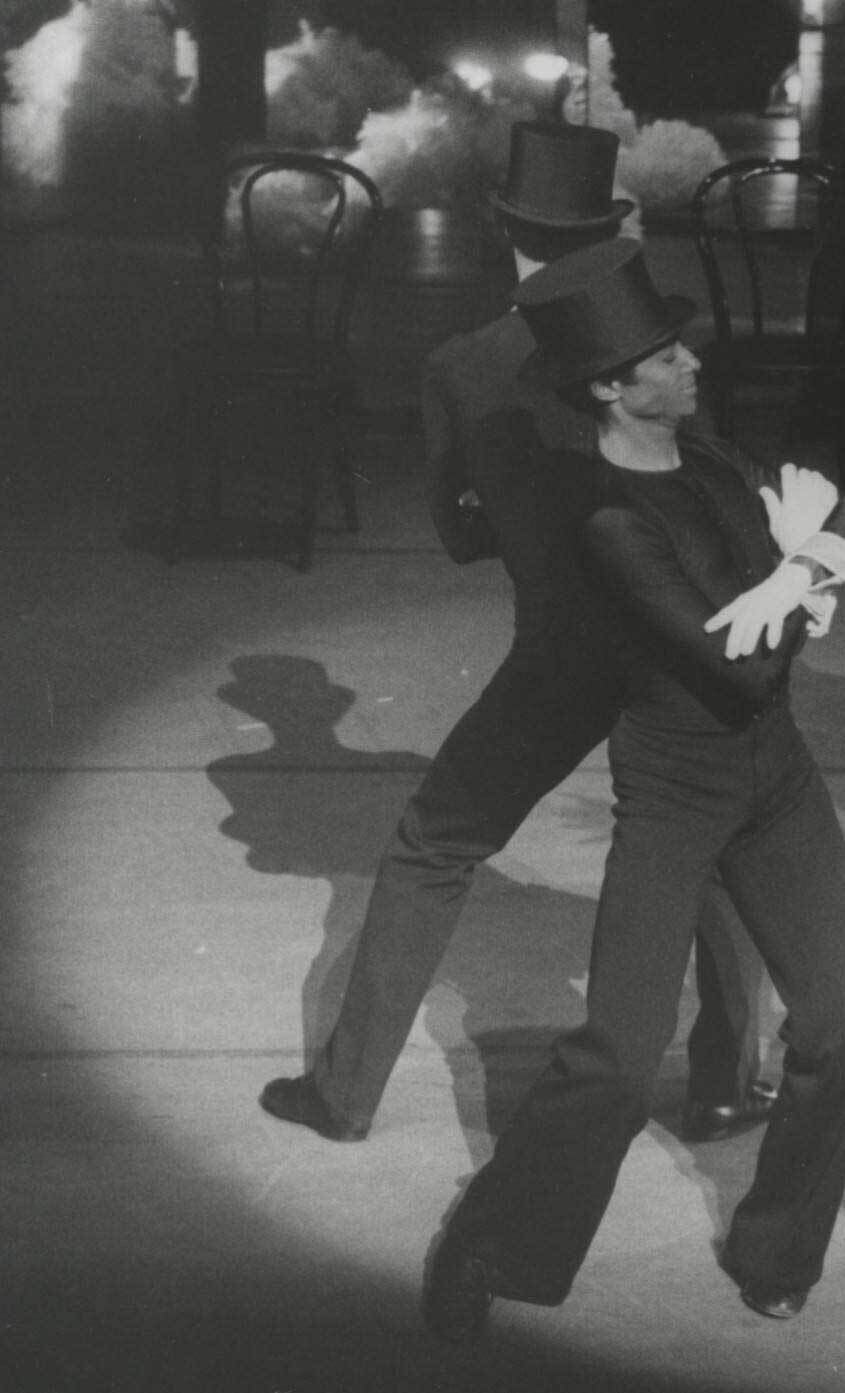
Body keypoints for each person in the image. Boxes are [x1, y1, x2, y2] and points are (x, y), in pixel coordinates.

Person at [258, 120, 771, 1147]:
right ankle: (722, 1081)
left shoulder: (461, 363)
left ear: (503, 229)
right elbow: (712, 496)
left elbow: (454, 533)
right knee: (701, 849)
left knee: (432, 843)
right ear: (607, 225)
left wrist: (524, 520)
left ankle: (345, 1092)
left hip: (559, 657)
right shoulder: (650, 355)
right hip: (671, 651)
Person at [420, 238, 845, 1339]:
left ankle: (776, 1247)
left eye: (679, 345)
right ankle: (494, 1243)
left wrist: (810, 559)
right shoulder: (610, 524)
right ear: (607, 387)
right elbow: (751, 661)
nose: (690, 364)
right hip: (678, 787)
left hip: (772, 775)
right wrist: (821, 559)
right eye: (664, 356)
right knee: (622, 1061)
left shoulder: (711, 467)